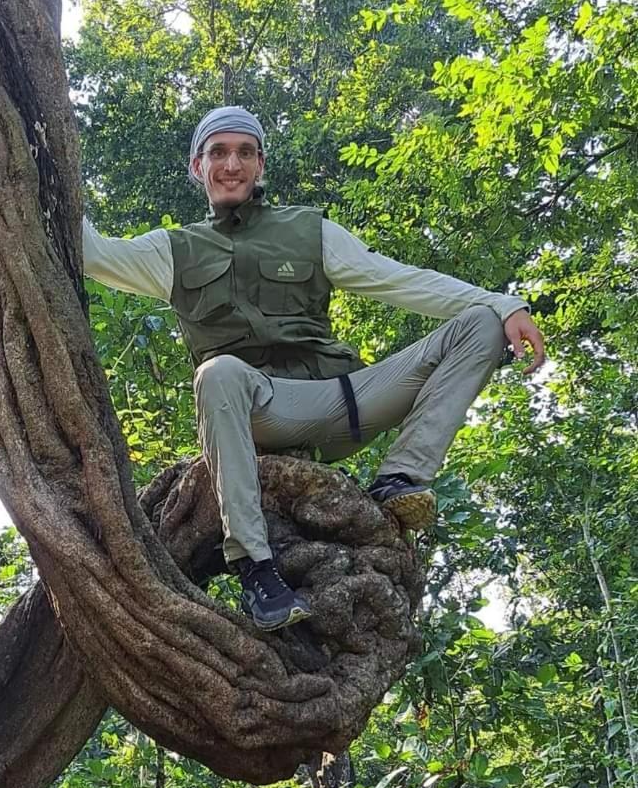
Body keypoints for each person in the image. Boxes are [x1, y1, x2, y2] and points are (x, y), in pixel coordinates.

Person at [83, 105, 546, 632]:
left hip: (342, 402)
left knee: (482, 324)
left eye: (244, 152)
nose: (230, 164)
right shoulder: (173, 250)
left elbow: (400, 280)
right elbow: (89, 251)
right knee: (218, 373)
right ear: (197, 167)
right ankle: (256, 568)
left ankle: (399, 479)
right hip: (263, 413)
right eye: (218, 152)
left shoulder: (310, 230)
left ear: (260, 165)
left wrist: (504, 304)